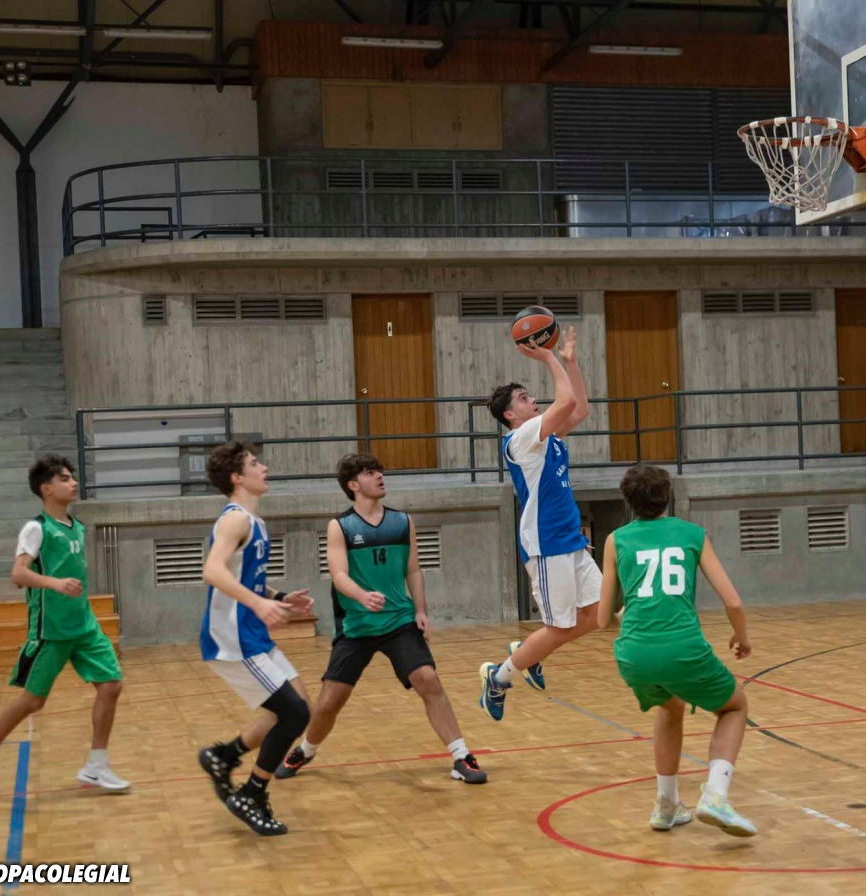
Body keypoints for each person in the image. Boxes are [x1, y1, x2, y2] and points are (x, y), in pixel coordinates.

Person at [274, 453, 487, 785]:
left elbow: (413, 569)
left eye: (380, 472)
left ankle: (461, 756)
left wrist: (420, 611)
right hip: (357, 625)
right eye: (370, 473)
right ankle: (306, 750)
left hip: (399, 621)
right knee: (329, 702)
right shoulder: (340, 526)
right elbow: (338, 575)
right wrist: (362, 596)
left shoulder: (402, 521)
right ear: (353, 485)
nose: (379, 476)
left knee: (428, 679)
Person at [597, 464, 757, 837]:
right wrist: (741, 636)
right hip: (682, 647)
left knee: (670, 706)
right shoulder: (691, 534)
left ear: (629, 501)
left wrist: (632, 612)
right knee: (734, 706)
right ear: (667, 496)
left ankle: (666, 805)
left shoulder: (615, 540)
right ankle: (716, 794)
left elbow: (604, 618)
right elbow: (733, 601)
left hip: (633, 654)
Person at [0, 456, 128, 795]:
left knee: (111, 685)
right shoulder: (36, 528)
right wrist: (54, 583)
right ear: (47, 489)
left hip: (84, 625)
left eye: (72, 477)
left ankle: (96, 766)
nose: (74, 482)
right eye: (65, 479)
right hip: (51, 631)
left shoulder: (77, 526)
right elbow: (18, 574)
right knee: (33, 701)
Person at [479, 326, 599, 721]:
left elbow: (579, 409)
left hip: (570, 539)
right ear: (510, 415)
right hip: (547, 545)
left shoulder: (547, 437)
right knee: (559, 627)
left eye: (530, 395)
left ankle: (529, 652)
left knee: (599, 614)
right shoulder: (520, 439)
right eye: (523, 398)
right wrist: (547, 356)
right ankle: (499, 677)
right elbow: (566, 401)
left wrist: (570, 363)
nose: (533, 400)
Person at [196, 441, 314, 836]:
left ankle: (224, 755)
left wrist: (278, 597)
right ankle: (252, 793)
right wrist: (259, 605)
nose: (263, 467)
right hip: (233, 639)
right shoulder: (234, 520)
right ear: (237, 477)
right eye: (254, 463)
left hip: (251, 634)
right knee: (293, 714)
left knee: (300, 707)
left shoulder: (254, 521)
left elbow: (245, 577)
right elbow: (213, 571)